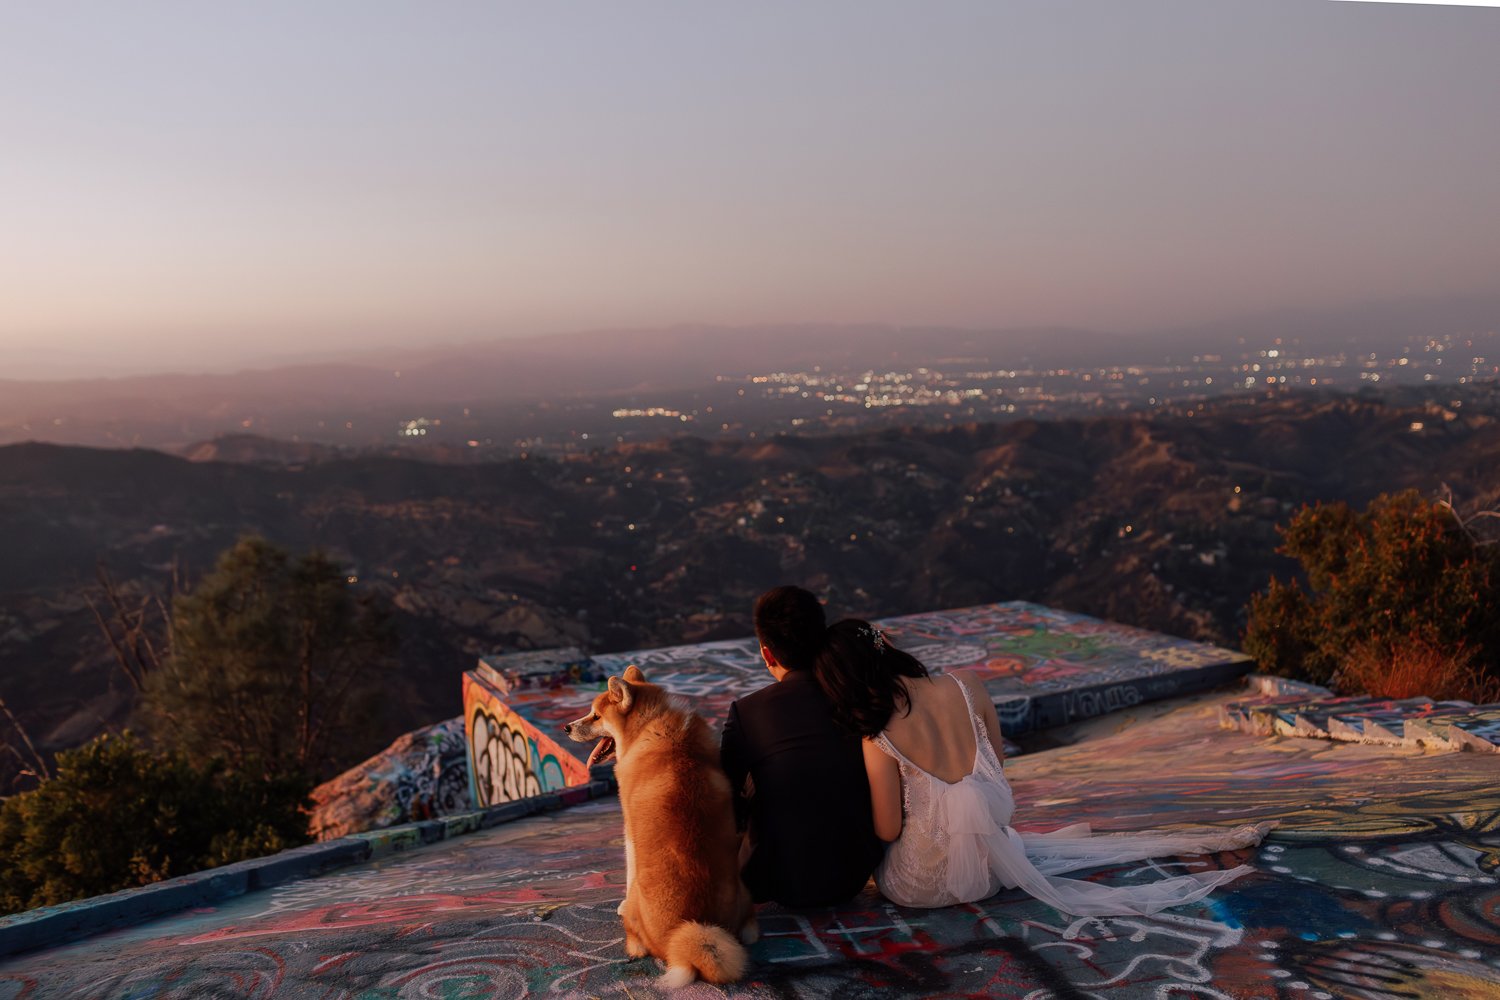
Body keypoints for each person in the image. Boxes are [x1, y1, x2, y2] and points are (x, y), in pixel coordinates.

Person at [814, 617, 1273, 914]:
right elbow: (997, 779)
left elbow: (889, 829)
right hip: (990, 873)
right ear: (885, 647)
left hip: (917, 889)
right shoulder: (967, 685)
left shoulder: (876, 735)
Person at [719, 586, 886, 907]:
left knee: (754, 771)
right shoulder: (857, 696)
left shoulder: (747, 711)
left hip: (774, 882)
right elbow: (879, 638)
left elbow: (724, 797)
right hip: (855, 872)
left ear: (767, 653)